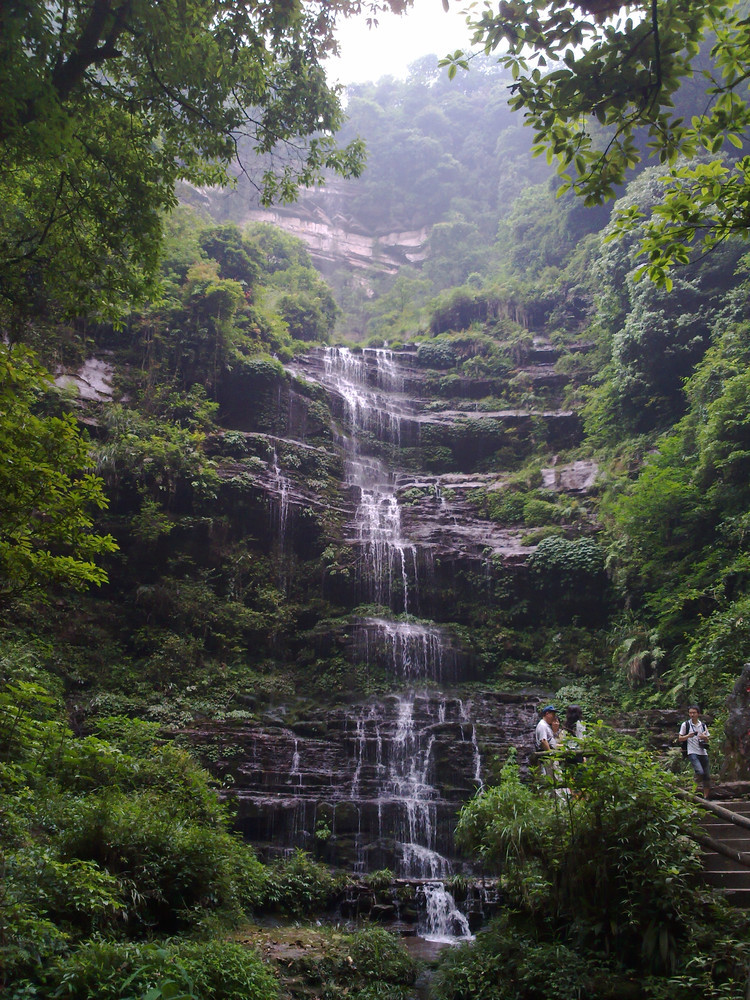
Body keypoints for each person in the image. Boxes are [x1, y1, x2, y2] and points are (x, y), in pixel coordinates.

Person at [678, 704, 711, 798]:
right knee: (699, 772)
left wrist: (704, 737)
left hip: (703, 752)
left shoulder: (703, 725)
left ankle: (705, 797)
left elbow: (707, 740)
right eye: (690, 713)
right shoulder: (686, 725)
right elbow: (680, 738)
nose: (692, 715)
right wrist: (688, 736)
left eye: (694, 713)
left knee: (707, 776)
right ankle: (693, 791)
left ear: (698, 713)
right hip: (692, 751)